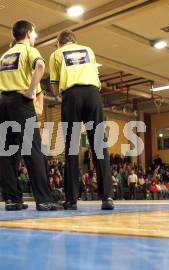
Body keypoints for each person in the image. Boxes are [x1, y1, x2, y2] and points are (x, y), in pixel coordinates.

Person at [0, 20, 61, 211]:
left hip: (4, 105)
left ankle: (12, 200)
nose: (34, 37)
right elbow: (40, 66)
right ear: (28, 33)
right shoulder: (28, 50)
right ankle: (44, 200)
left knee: (7, 152)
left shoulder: (6, 55)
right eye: (34, 34)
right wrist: (30, 91)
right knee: (33, 150)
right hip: (21, 103)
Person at [49, 29, 114, 210]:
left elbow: (54, 85)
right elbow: (96, 77)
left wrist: (61, 98)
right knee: (99, 146)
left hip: (71, 95)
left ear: (59, 43)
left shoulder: (56, 54)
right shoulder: (88, 50)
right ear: (75, 41)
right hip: (93, 94)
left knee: (71, 148)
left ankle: (71, 200)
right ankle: (107, 197)